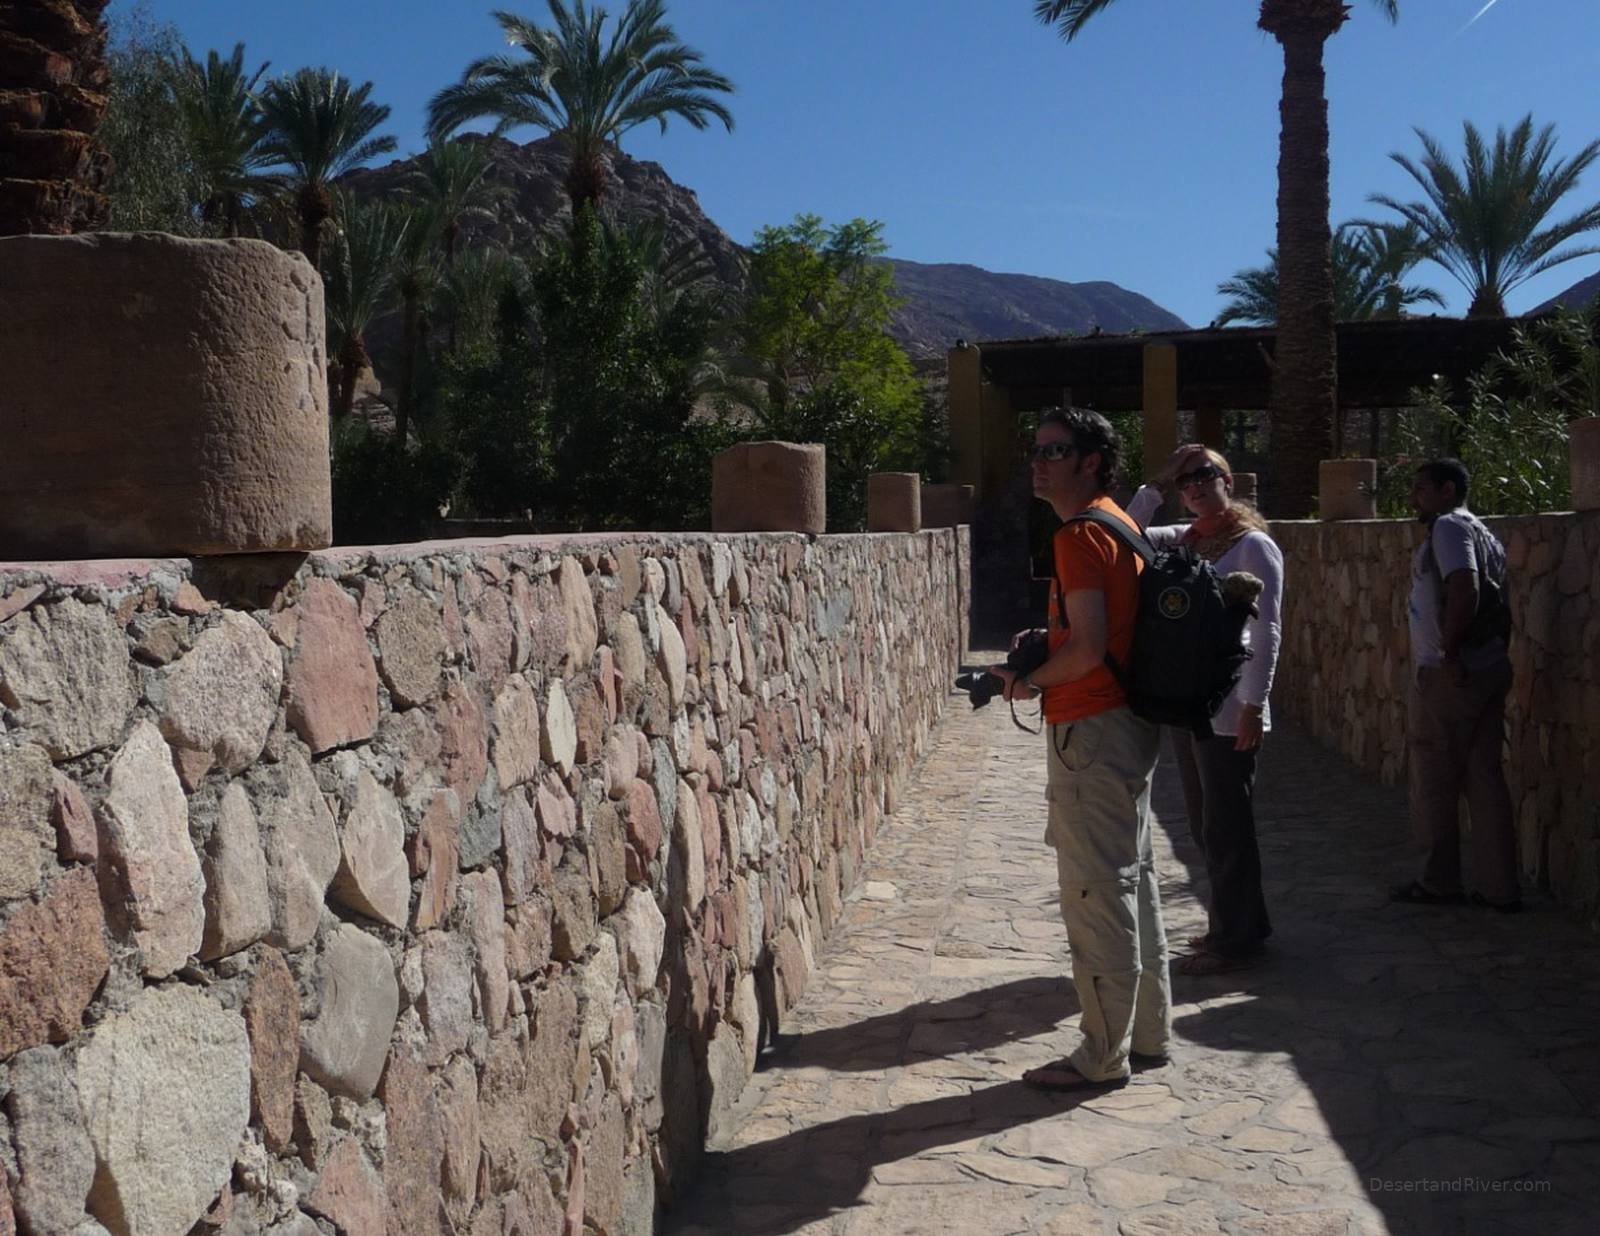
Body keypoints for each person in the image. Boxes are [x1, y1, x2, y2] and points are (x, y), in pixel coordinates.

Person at [990, 407, 1170, 1092]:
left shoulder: (1079, 536)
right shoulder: (1118, 523)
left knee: (1097, 890)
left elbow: (1090, 649)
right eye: (1035, 450)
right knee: (1135, 880)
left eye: (1055, 451)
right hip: (1127, 723)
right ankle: (1149, 1034)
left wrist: (1030, 680)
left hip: (1092, 730)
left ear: (1092, 459)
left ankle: (1102, 1053)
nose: (1039, 462)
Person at [1129, 445, 1284, 975]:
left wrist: (1254, 706)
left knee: (1227, 824)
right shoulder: (1187, 540)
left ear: (1228, 479)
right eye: (1185, 480)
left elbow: (1267, 630)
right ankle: (1236, 925)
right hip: (1193, 700)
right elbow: (1123, 535)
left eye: (1204, 475)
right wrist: (1157, 481)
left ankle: (1237, 941)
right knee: (1204, 824)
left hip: (1229, 703)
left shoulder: (1252, 546)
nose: (1193, 486)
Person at [1390, 458, 1520, 912]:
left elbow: (1465, 586)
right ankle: (1500, 886)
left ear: (1447, 491)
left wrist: (1448, 652)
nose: (1414, 498)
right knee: (1484, 776)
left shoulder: (1448, 528)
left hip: (1453, 673)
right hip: (1487, 665)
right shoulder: (1482, 530)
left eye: (1421, 488)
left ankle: (1439, 881)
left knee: (1434, 776)